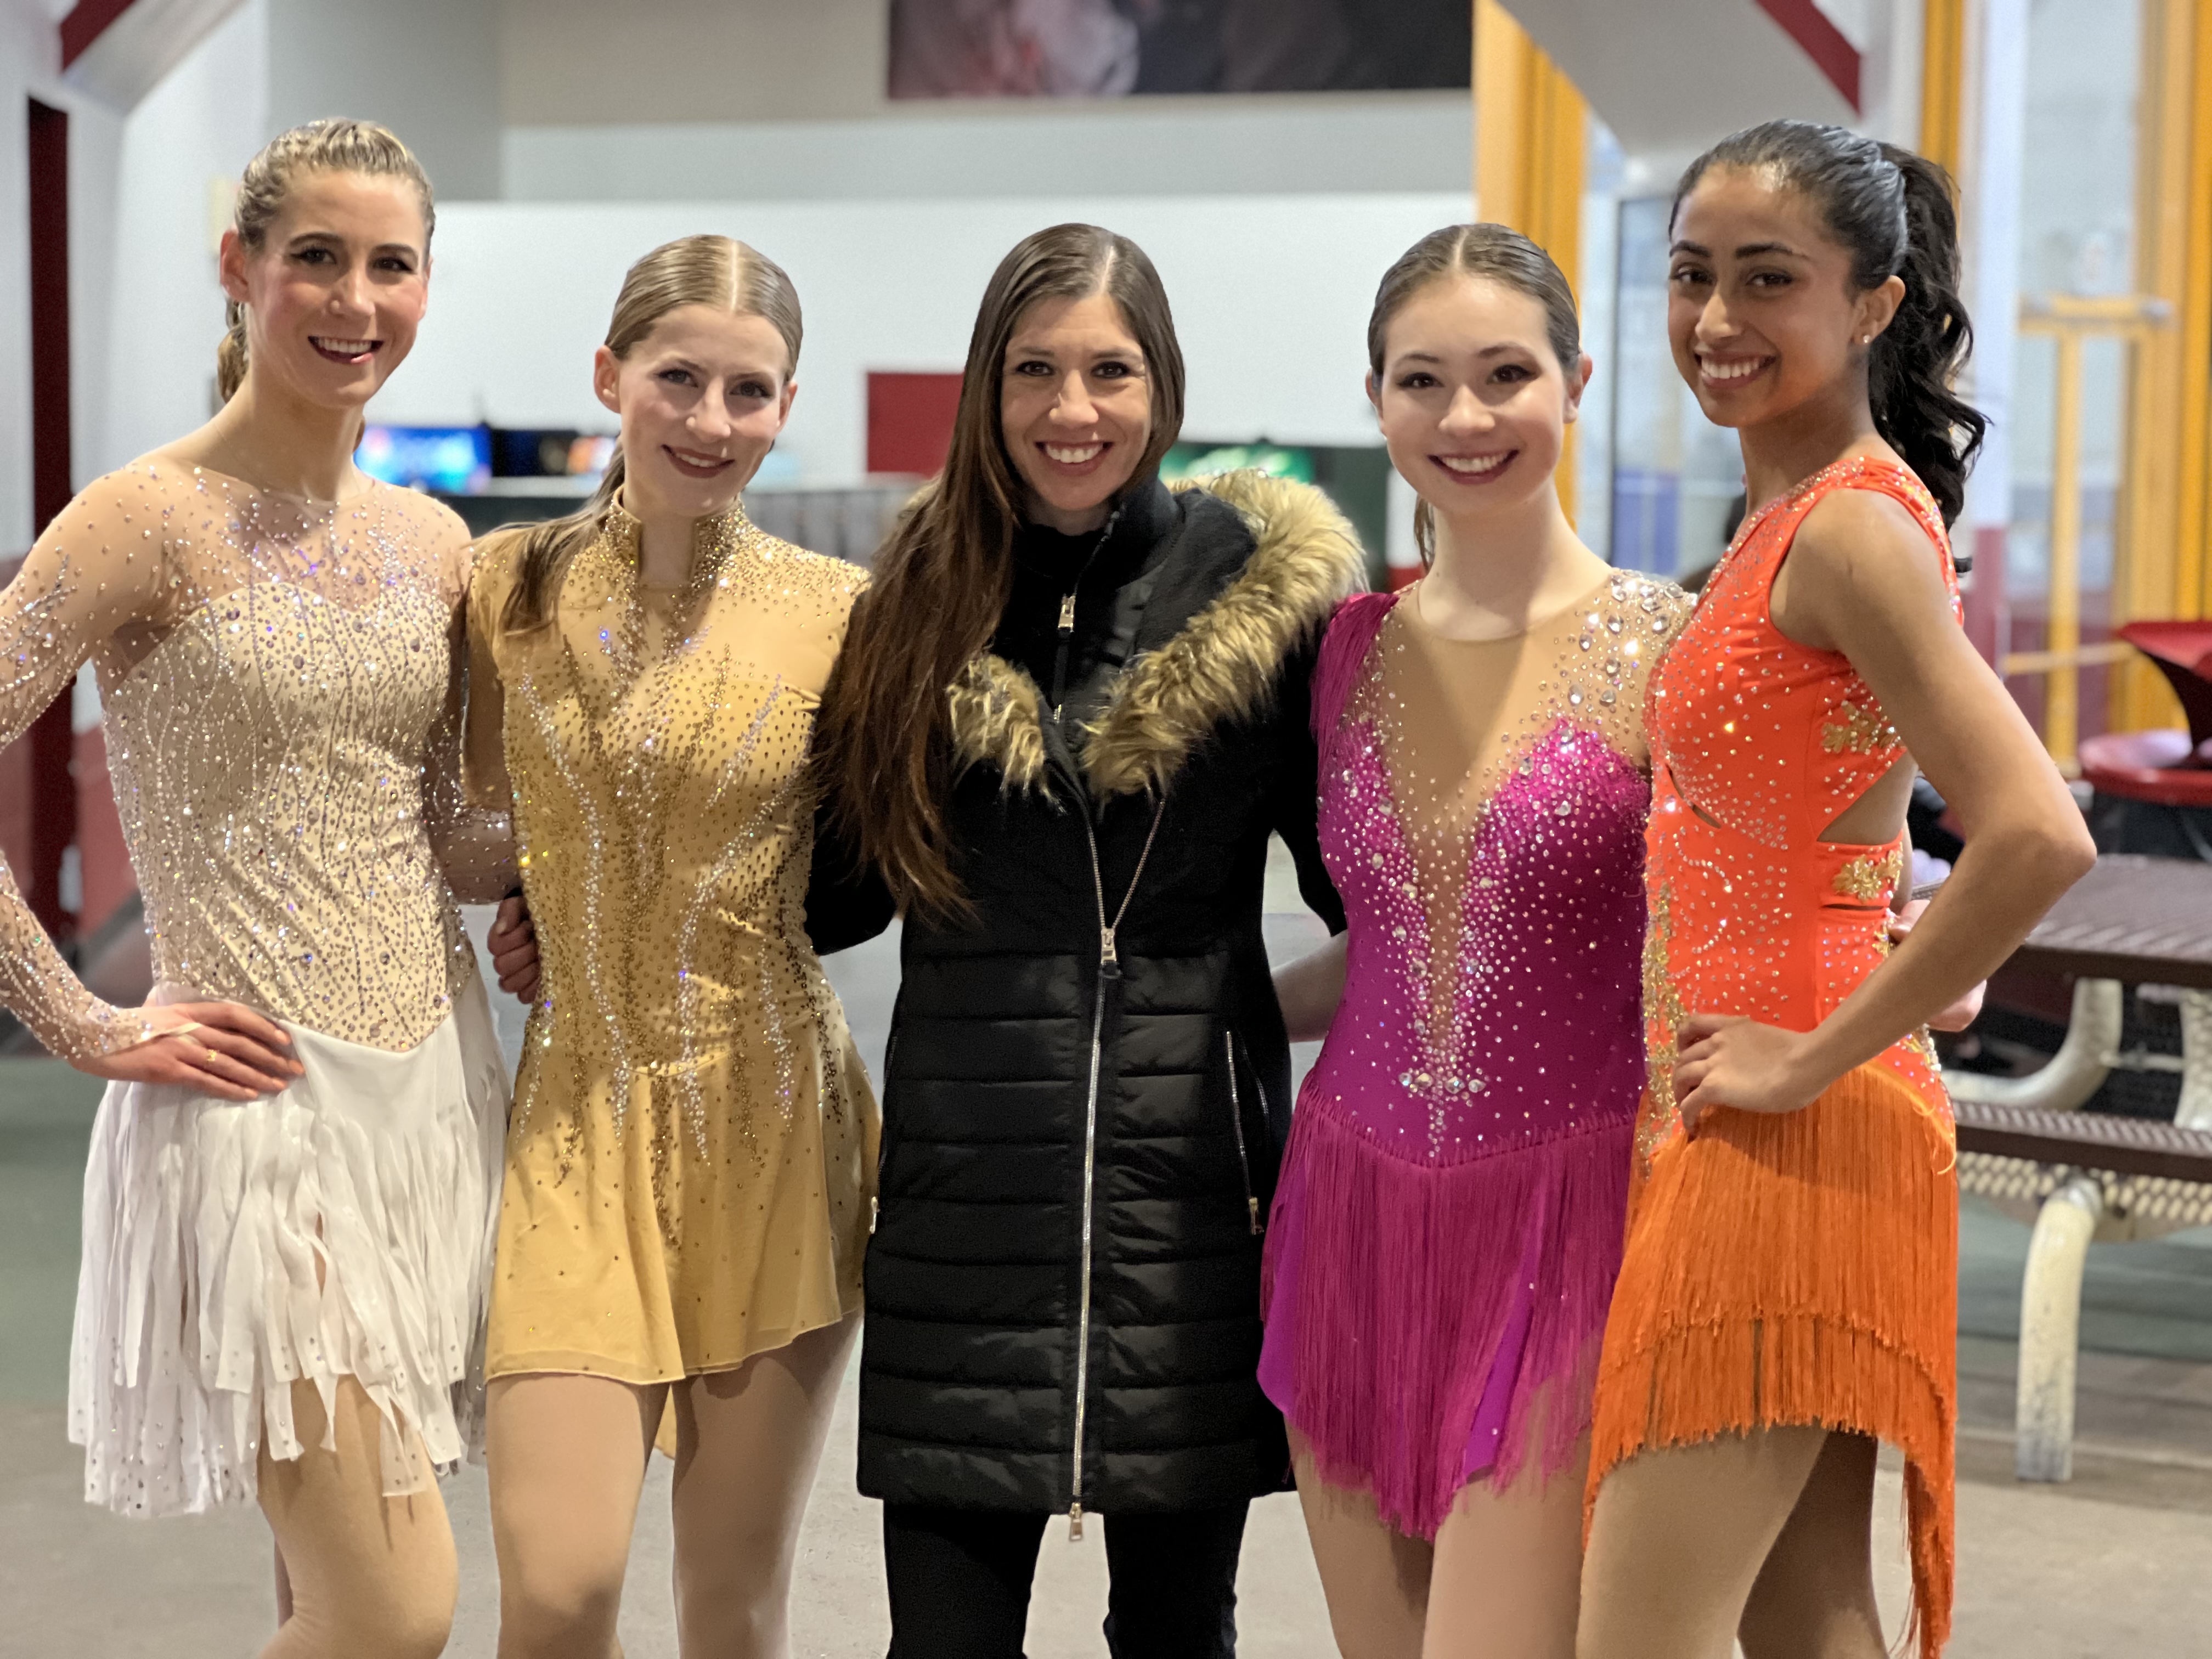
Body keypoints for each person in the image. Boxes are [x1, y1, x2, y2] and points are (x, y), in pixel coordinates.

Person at [1577, 121, 2095, 1659]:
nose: (1717, 321)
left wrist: (1820, 1042)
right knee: (1804, 1616)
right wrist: (1897, 920)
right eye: (1690, 278)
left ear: (1873, 301)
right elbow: (1836, 797)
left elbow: (2036, 832)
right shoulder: (1797, 517)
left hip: (1790, 1115)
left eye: (1767, 281)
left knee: (1637, 1634)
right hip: (1756, 1103)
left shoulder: (1853, 528)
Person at [808, 222, 1362, 1658]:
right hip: (963, 1208)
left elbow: (1370, 889)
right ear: (988, 388)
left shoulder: (1261, 598)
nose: (1072, 411)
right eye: (1035, 370)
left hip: (1191, 1210)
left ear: (1160, 384)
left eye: (1108, 370)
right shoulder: (913, 607)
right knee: (940, 1643)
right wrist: (575, 882)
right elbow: (835, 898)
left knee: (1180, 1634)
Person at [0, 120, 514, 1657]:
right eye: (317, 258)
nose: (355, 300)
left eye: (392, 264)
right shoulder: (141, 519)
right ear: (240, 269)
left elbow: (457, 832)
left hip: (433, 1098)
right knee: (395, 1610)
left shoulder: (436, 544)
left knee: (326, 1589)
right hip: (256, 1104)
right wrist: (74, 1017)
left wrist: (583, 872)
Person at [1261, 225, 1689, 1659]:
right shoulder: (1343, 651)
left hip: (1574, 1226)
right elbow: (1393, 952)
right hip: (1349, 1216)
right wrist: (1206, 1013)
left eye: (1507, 374)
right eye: (1423, 381)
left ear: (1575, 380)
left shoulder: (1666, 644)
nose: (1465, 417)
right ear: (1376, 402)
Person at [464, 234, 877, 1659]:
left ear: (785, 402)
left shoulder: (840, 614)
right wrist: (537, 901)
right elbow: (462, 819)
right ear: (610, 377)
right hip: (575, 1117)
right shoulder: (502, 591)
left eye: (748, 391)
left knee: (730, 1607)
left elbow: (885, 864)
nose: (712, 420)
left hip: (772, 1124)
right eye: (679, 379)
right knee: (560, 1594)